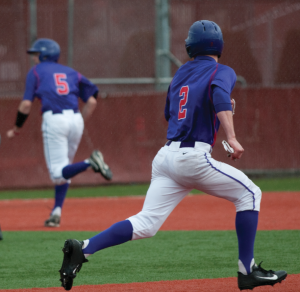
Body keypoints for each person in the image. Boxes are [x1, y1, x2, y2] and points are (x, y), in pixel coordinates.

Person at [58, 21, 287, 291]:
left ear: (190, 47)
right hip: (192, 157)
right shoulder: (222, 70)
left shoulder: (181, 73)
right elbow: (218, 93)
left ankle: (83, 249)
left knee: (147, 223)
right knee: (250, 194)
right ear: (219, 45)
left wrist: (216, 109)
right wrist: (232, 135)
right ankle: (247, 271)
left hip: (166, 157)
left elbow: (172, 113)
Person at [7, 38, 113, 228]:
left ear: (44, 54)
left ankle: (91, 163)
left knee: (58, 173)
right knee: (65, 171)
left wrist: (16, 128)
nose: (34, 58)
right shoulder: (71, 72)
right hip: (75, 119)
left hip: (55, 120)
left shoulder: (36, 72)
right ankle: (56, 212)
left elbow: (26, 104)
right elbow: (92, 101)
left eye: (36, 54)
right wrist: (78, 121)